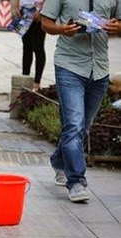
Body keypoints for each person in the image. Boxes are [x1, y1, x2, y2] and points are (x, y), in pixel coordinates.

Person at [41, 0, 120, 202]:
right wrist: (62, 29)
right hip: (69, 66)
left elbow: (119, 22)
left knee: (83, 126)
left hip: (100, 68)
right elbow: (45, 23)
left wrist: (117, 27)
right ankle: (76, 181)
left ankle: (59, 161)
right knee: (74, 125)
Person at [11, 0, 46, 91]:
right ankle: (25, 77)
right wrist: (14, 7)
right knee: (26, 47)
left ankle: (37, 81)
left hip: (39, 11)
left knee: (38, 47)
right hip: (24, 12)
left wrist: (43, 11)